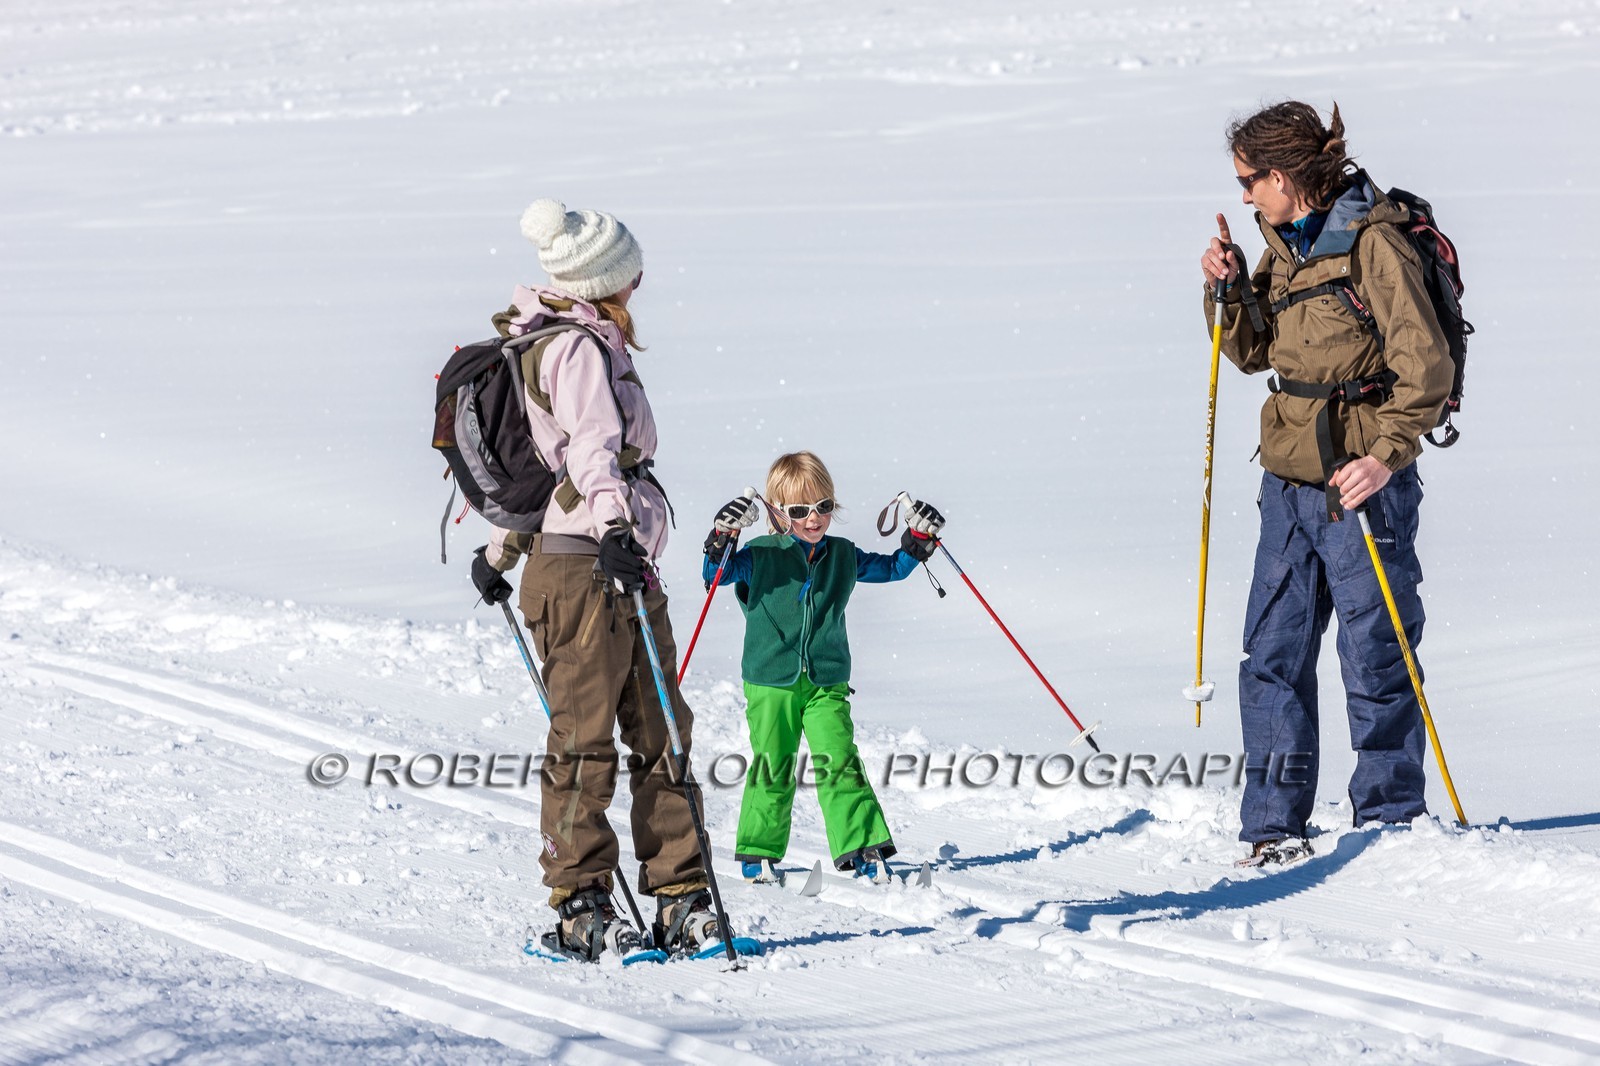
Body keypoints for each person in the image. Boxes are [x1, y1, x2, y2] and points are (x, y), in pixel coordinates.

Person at [1197, 102, 1453, 866]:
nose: (1245, 197)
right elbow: (1252, 353)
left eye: (1250, 180)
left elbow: (1428, 367)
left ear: (1283, 175)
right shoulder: (1282, 246)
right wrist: (1230, 287)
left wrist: (1385, 455)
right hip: (1288, 479)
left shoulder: (1374, 245)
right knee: (1271, 653)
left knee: (1376, 652)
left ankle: (1388, 820)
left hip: (1359, 481)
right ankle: (1274, 824)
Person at [469, 198, 725, 959]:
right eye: (631, 270)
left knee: (662, 731)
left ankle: (680, 896)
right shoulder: (575, 348)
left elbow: (538, 469)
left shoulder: (573, 340)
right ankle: (580, 906)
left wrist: (499, 554)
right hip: (590, 568)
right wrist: (614, 529)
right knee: (586, 744)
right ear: (603, 278)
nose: (640, 280)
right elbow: (588, 452)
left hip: (608, 561)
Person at [703, 452, 945, 883]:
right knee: (773, 763)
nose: (813, 519)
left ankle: (863, 843)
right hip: (770, 680)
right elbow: (716, 574)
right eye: (799, 511)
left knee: (839, 758)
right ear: (777, 513)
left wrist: (918, 539)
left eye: (823, 507)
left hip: (826, 680)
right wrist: (723, 537)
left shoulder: (842, 555)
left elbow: (892, 569)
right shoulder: (761, 554)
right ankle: (758, 852)